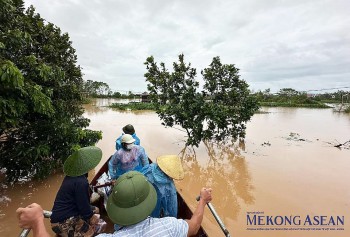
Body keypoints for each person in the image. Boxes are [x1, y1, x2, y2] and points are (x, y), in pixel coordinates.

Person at [17, 171, 213, 237]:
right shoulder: (170, 226)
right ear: (149, 201)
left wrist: (37, 222)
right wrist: (203, 200)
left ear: (114, 209)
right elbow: (195, 225)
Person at [50, 146, 105, 236]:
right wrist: (92, 219)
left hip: (64, 214)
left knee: (96, 209)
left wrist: (92, 213)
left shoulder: (71, 177)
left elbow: (83, 204)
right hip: (63, 222)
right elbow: (84, 207)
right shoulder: (81, 182)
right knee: (91, 233)